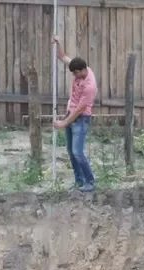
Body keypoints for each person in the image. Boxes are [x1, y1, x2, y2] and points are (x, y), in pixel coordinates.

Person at [52, 36, 98, 193]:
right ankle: (79, 181)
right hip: (71, 114)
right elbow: (63, 57)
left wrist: (64, 123)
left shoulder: (89, 86)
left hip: (80, 119)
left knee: (78, 152)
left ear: (82, 71)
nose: (74, 76)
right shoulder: (79, 67)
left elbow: (80, 109)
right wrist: (58, 43)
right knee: (71, 152)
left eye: (75, 74)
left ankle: (90, 182)